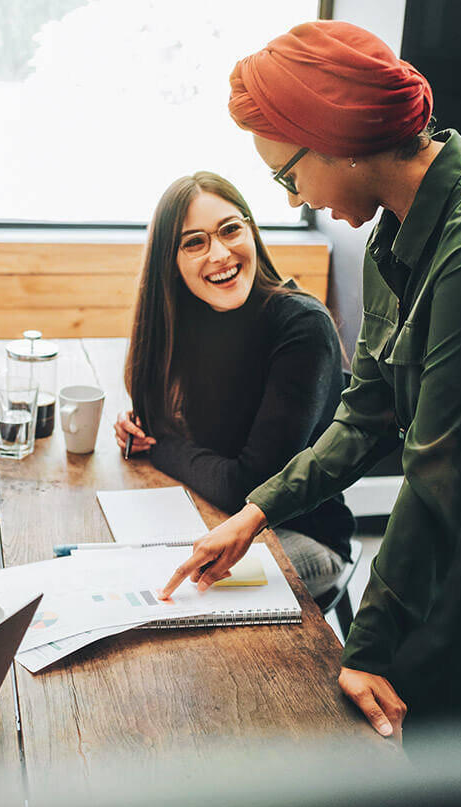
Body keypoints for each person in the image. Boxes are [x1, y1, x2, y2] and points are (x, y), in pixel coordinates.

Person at [162, 21, 461, 753]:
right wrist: (254, 514)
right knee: (414, 736)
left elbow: (439, 469)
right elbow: (365, 412)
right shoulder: (390, 232)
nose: (295, 195)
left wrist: (365, 645)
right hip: (451, 511)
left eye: (287, 173)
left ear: (339, 140)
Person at [114, 171, 354, 597]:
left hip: (303, 538)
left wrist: (162, 445)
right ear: (170, 261)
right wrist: (139, 427)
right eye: (194, 242)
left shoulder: (301, 326)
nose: (220, 254)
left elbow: (249, 486)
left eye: (229, 230)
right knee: (116, 567)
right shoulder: (185, 318)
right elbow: (160, 420)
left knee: (162, 587)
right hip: (214, 516)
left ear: (251, 230)